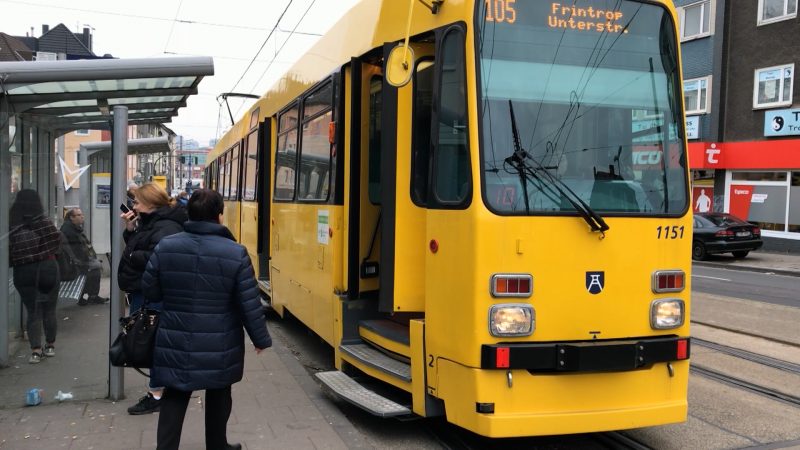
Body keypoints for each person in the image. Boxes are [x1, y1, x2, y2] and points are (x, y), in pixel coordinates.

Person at [142, 189, 271, 450]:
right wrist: (260, 339)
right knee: (219, 391)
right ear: (219, 215)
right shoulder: (236, 252)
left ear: (189, 213)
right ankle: (217, 445)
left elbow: (150, 290)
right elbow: (248, 302)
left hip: (175, 334)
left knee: (176, 393)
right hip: (220, 339)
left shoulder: (167, 246)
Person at [118, 182, 188, 415]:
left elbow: (160, 258)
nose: (134, 205)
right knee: (152, 342)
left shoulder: (165, 226)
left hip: (153, 294)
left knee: (153, 343)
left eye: (137, 201)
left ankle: (156, 393)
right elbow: (142, 247)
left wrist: (134, 255)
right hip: (145, 291)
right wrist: (130, 230)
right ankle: (160, 389)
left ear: (149, 203)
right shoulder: (152, 223)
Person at [8, 189, 61, 364]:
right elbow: (56, 241)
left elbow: (7, 250)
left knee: (33, 311)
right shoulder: (43, 222)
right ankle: (50, 345)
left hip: (23, 270)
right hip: (47, 266)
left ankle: (35, 351)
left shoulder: (12, 224)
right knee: (49, 308)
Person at [61, 208, 108, 305]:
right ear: (72, 218)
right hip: (75, 262)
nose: (82, 217)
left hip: (76, 260)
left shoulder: (73, 229)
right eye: (79, 215)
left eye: (81, 214)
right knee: (96, 268)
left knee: (95, 266)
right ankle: (91, 296)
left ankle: (86, 296)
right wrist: (90, 261)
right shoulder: (70, 231)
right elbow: (78, 250)